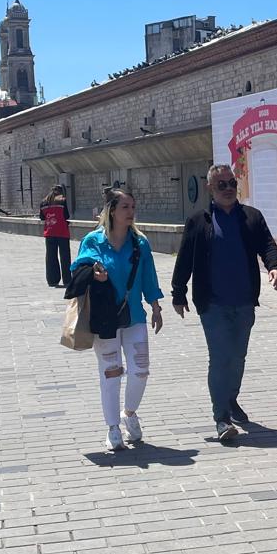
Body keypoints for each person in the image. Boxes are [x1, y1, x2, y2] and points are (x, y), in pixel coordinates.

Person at [171, 163, 277, 444]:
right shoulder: (199, 220)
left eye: (232, 183)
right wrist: (178, 292)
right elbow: (185, 257)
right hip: (213, 303)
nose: (228, 188)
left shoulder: (251, 217)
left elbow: (267, 245)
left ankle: (231, 399)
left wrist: (275, 267)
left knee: (237, 357)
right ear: (210, 187)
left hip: (244, 301)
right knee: (220, 358)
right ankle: (221, 417)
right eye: (221, 184)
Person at [69, 188, 164, 452]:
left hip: (134, 315)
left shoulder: (140, 243)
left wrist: (156, 306)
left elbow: (149, 276)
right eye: (125, 207)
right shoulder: (93, 241)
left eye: (133, 207)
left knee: (140, 370)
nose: (131, 212)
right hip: (104, 319)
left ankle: (129, 414)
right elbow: (77, 270)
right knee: (111, 372)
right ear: (111, 211)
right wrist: (94, 272)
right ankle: (112, 428)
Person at [41, 187, 72, 287]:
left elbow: (42, 217)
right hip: (62, 232)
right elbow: (66, 215)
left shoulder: (43, 202)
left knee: (50, 257)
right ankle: (67, 280)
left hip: (49, 232)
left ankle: (52, 280)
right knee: (65, 256)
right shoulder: (62, 201)